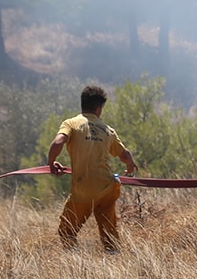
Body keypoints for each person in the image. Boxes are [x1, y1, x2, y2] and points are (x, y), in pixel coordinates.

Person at [47, 85, 138, 253]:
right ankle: (115, 259)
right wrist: (130, 165)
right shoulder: (108, 130)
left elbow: (58, 142)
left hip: (84, 191)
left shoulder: (72, 124)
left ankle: (74, 263)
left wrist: (51, 162)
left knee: (67, 230)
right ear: (98, 108)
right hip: (107, 188)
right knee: (109, 231)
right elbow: (124, 154)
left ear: (83, 104)